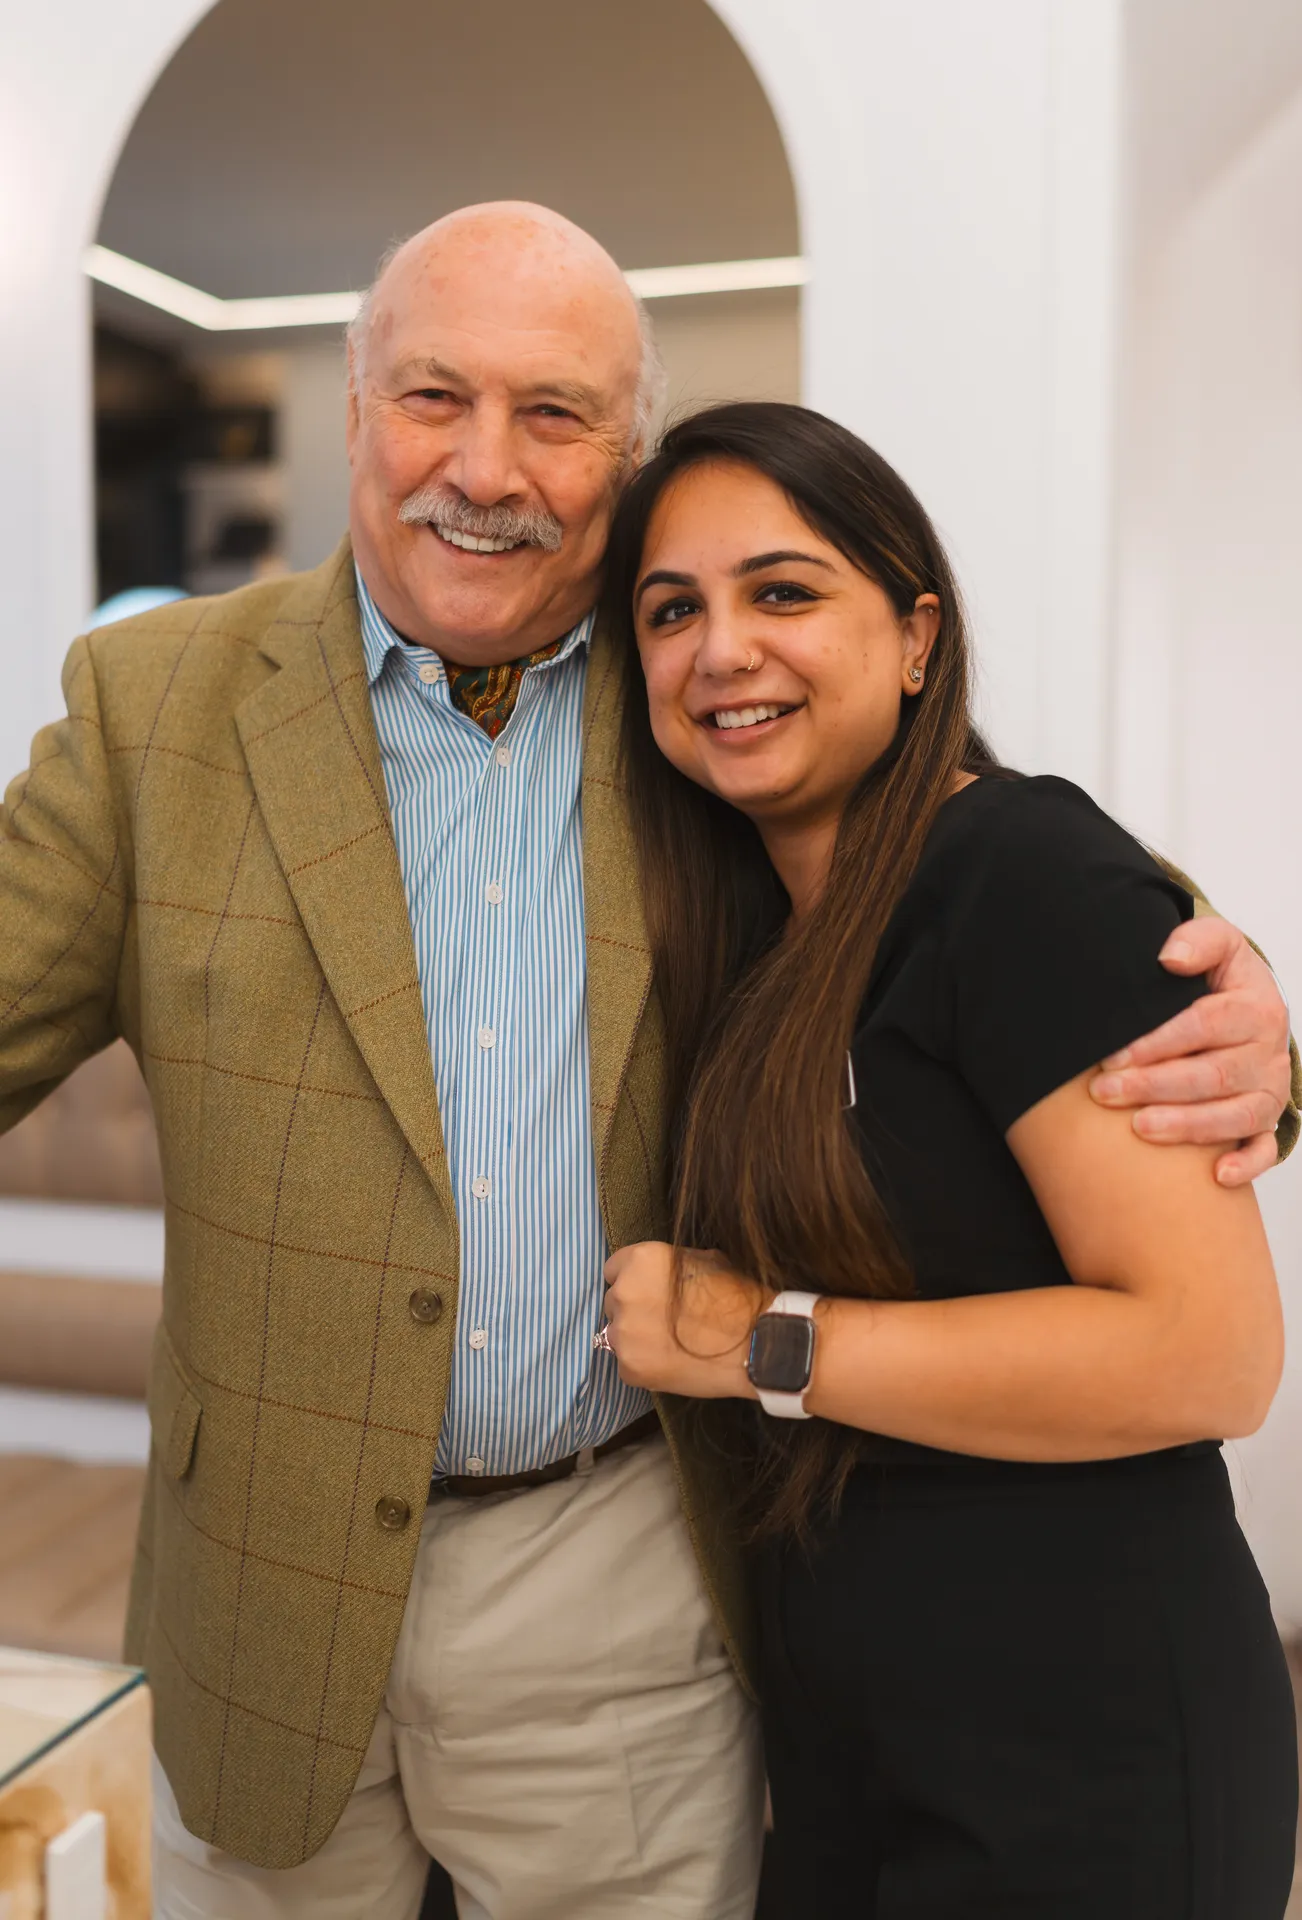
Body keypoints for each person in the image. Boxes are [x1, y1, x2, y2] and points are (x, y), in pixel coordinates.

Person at [0, 205, 1291, 1919]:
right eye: (433, 397)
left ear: (623, 449)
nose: (484, 467)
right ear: (352, 406)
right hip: (261, 1588)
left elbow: (1038, 893)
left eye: (554, 413)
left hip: (618, 1570)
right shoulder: (156, 706)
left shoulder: (703, 688)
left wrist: (1262, 1034)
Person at [598, 400, 1299, 1918]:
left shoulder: (1016, 868)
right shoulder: (756, 929)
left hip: (1083, 1752)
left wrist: (755, 1339)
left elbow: (1210, 1355)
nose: (720, 649)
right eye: (672, 612)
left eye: (781, 592)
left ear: (916, 635)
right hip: (854, 1750)